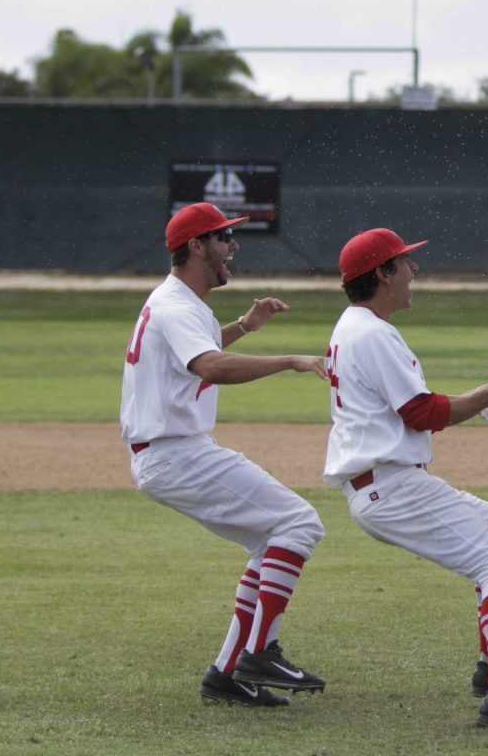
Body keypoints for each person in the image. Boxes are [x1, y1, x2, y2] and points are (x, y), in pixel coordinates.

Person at [322, 228, 488, 729]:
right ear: (381, 274)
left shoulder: (355, 325)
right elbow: (420, 411)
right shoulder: (371, 332)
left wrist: (487, 396)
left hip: (384, 480)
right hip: (389, 484)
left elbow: (415, 409)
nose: (414, 270)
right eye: (404, 262)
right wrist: (486, 396)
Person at [120, 202, 329, 708]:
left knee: (272, 540)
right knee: (299, 524)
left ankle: (228, 673)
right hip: (175, 452)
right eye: (224, 237)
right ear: (196, 246)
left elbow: (197, 349)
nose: (233, 245)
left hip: (171, 450)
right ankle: (260, 651)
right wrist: (291, 360)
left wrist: (245, 325)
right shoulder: (177, 306)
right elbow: (210, 366)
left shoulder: (180, 302)